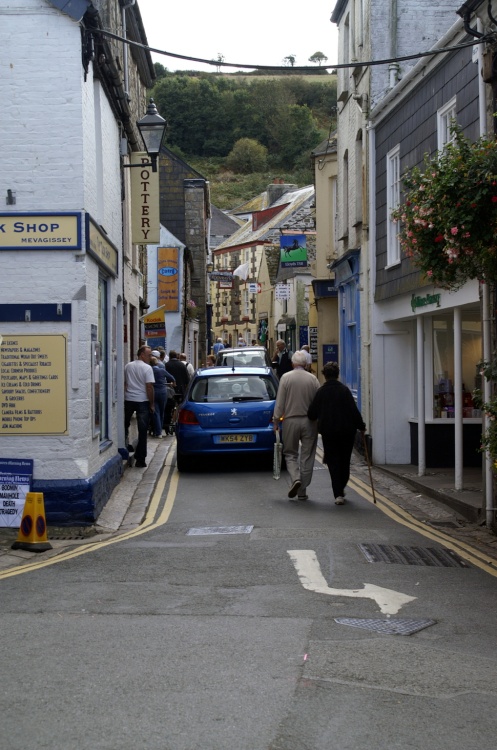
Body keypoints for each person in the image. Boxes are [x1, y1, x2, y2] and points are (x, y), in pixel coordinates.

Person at [307, 362, 366, 505]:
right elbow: (353, 411)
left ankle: (338, 493)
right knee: (345, 461)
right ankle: (341, 487)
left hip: (329, 433)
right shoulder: (345, 390)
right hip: (347, 432)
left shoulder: (321, 392)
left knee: (333, 462)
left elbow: (311, 413)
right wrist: (361, 426)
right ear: (337, 374)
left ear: (324, 375)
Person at [273, 351, 320, 501]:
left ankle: (295, 479)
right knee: (307, 455)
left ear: (293, 363)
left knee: (290, 453)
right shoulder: (313, 379)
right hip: (309, 421)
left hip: (290, 420)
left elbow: (280, 403)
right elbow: (318, 402)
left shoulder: (286, 378)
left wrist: (276, 420)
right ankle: (302, 491)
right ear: (306, 364)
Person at [124, 345, 155, 468]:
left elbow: (125, 383)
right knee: (143, 431)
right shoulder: (147, 368)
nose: (150, 357)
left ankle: (125, 446)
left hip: (129, 399)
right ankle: (140, 459)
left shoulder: (128, 366)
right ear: (141, 354)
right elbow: (149, 387)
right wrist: (152, 403)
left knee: (124, 425)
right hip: (142, 400)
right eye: (148, 355)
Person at [150, 355, 176, 438]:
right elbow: (172, 378)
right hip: (162, 392)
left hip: (153, 392)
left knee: (156, 412)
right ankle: (159, 430)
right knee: (161, 412)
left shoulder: (149, 371)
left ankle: (158, 432)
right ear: (156, 363)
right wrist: (173, 384)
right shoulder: (161, 370)